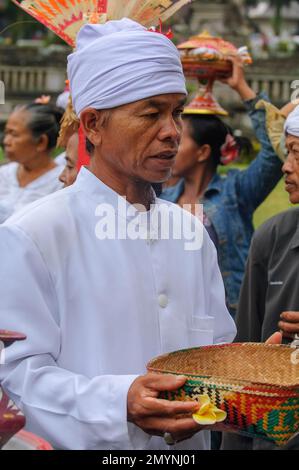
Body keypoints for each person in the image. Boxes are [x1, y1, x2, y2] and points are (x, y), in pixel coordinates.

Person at [0, 18, 237, 451]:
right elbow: (16, 376)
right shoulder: (32, 235)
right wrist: (119, 401)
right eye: (150, 113)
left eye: (176, 112)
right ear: (93, 125)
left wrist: (246, 374)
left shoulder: (190, 231)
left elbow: (215, 350)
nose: (171, 131)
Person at [160, 57, 283, 318]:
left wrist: (242, 89)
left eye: (179, 142)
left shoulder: (235, 193)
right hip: (180, 317)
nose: (170, 147)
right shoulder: (164, 198)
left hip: (230, 318)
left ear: (203, 152)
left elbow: (273, 153)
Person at [222, 105, 299, 450]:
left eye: (296, 153)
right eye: (287, 153)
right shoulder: (274, 236)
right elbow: (245, 355)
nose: (286, 166)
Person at [0, 103, 64, 223]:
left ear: (41, 142)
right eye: (6, 133)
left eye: (14, 134)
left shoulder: (61, 183)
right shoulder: (4, 174)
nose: (6, 141)